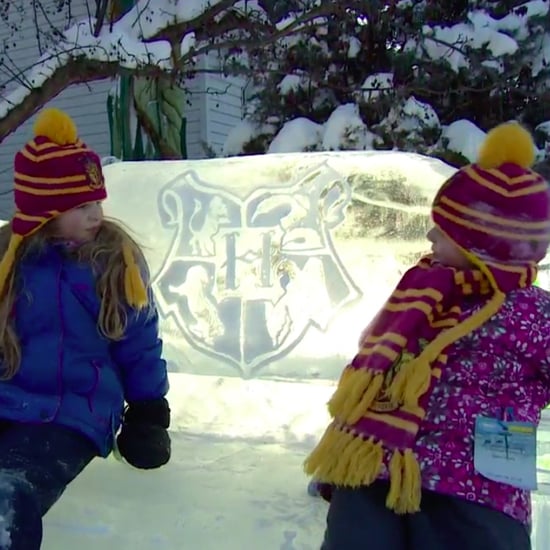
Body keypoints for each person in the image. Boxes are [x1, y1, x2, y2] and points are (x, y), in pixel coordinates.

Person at [305, 121, 550, 550]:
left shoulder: (534, 314)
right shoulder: (422, 291)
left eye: (446, 229)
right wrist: (341, 454)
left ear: (485, 245)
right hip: (377, 469)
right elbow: (374, 367)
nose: (431, 235)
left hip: (477, 486)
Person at [0, 108, 171, 549]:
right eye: (80, 206)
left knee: (13, 485)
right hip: (7, 399)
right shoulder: (10, 262)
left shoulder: (115, 263)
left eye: (97, 201)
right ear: (44, 212)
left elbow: (140, 342)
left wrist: (149, 413)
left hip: (73, 411)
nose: (96, 214)